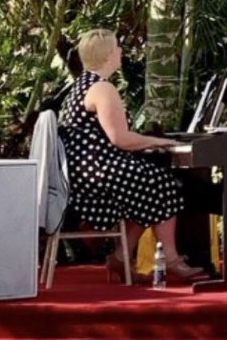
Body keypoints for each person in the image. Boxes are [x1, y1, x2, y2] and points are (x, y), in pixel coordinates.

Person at [59, 29, 205, 284]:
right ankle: (171, 259)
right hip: (96, 173)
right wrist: (158, 141)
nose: (120, 52)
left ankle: (119, 257)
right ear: (106, 55)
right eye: (117, 47)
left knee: (145, 189)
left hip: (84, 170)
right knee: (161, 184)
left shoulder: (81, 85)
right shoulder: (101, 87)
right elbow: (120, 138)